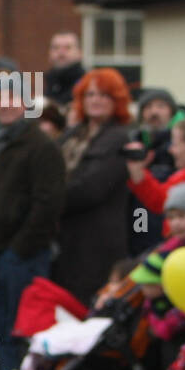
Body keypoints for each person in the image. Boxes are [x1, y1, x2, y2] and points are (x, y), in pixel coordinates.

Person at [0, 74, 66, 370]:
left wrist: (20, 248)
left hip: (22, 257)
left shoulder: (42, 146)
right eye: (1, 97)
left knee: (21, 332)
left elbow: (49, 203)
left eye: (14, 97)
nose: (7, 103)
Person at [52, 68, 132, 303]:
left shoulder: (119, 138)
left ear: (116, 100)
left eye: (104, 95)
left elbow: (91, 189)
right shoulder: (72, 135)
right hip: (64, 240)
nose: (96, 101)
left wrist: (47, 200)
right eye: (90, 94)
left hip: (96, 244)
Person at [44, 30, 85, 106]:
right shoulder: (48, 81)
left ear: (80, 53)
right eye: (56, 48)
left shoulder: (86, 84)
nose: (61, 52)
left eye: (68, 48)